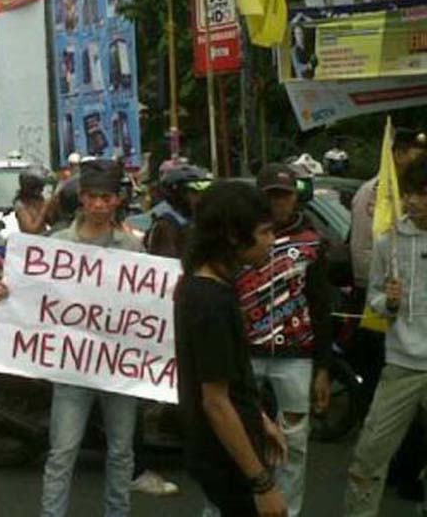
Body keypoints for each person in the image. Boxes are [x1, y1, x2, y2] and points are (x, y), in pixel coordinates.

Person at [175, 180, 288, 516]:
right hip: (227, 461)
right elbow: (216, 402)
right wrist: (261, 483)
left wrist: (261, 419)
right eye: (265, 232)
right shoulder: (209, 301)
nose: (272, 241)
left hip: (230, 450)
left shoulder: (210, 286)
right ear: (233, 237)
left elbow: (230, 379)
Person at [39, 159, 144, 517]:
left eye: (106, 197)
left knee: (121, 452)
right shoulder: (56, 245)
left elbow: (145, 305)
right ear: (81, 199)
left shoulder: (133, 249)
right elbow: (35, 293)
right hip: (73, 366)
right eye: (92, 197)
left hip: (119, 368)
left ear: (116, 201)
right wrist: (8, 292)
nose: (99, 204)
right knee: (62, 452)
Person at [234, 164, 333, 517]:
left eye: (284, 195)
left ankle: (286, 512)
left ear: (295, 197)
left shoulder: (313, 242)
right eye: (270, 196)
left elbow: (322, 307)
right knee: (238, 437)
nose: (277, 203)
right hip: (247, 354)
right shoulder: (236, 239)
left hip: (297, 356)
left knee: (294, 443)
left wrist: (323, 367)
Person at [342, 156, 427, 516]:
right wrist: (387, 302)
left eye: (423, 194)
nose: (416, 202)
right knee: (369, 455)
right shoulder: (387, 241)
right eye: (412, 194)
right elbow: (373, 297)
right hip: (401, 363)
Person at [349, 128, 427, 407]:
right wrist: (387, 292)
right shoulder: (377, 191)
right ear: (397, 154)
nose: (419, 158)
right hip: (382, 308)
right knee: (375, 389)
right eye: (414, 152)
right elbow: (362, 249)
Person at [145, 163, 211, 258]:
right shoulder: (167, 225)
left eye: (203, 192)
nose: (200, 198)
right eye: (194, 192)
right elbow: (166, 265)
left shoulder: (201, 221)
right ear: (178, 194)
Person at [14, 167, 48, 234]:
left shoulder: (40, 199)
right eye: (40, 187)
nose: (42, 190)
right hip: (31, 242)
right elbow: (31, 230)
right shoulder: (21, 205)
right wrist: (44, 209)